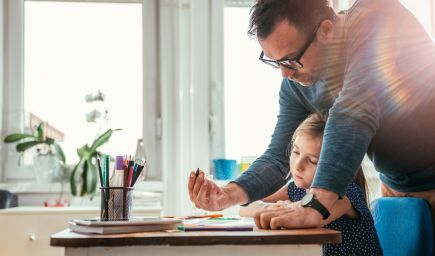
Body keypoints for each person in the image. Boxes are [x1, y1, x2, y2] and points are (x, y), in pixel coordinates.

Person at [188, 0, 435, 230]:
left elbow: (353, 110)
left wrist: (317, 204)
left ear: (326, 31)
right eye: (276, 62)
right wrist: (229, 194)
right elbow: (278, 156)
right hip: (398, 188)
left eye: (291, 60)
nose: (284, 74)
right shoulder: (297, 85)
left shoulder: (376, 17)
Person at [239, 113, 382, 255]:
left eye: (313, 161)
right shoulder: (296, 188)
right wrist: (272, 207)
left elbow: (309, 218)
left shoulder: (345, 192)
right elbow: (245, 206)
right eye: (296, 152)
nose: (297, 165)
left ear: (339, 166)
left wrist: (286, 209)